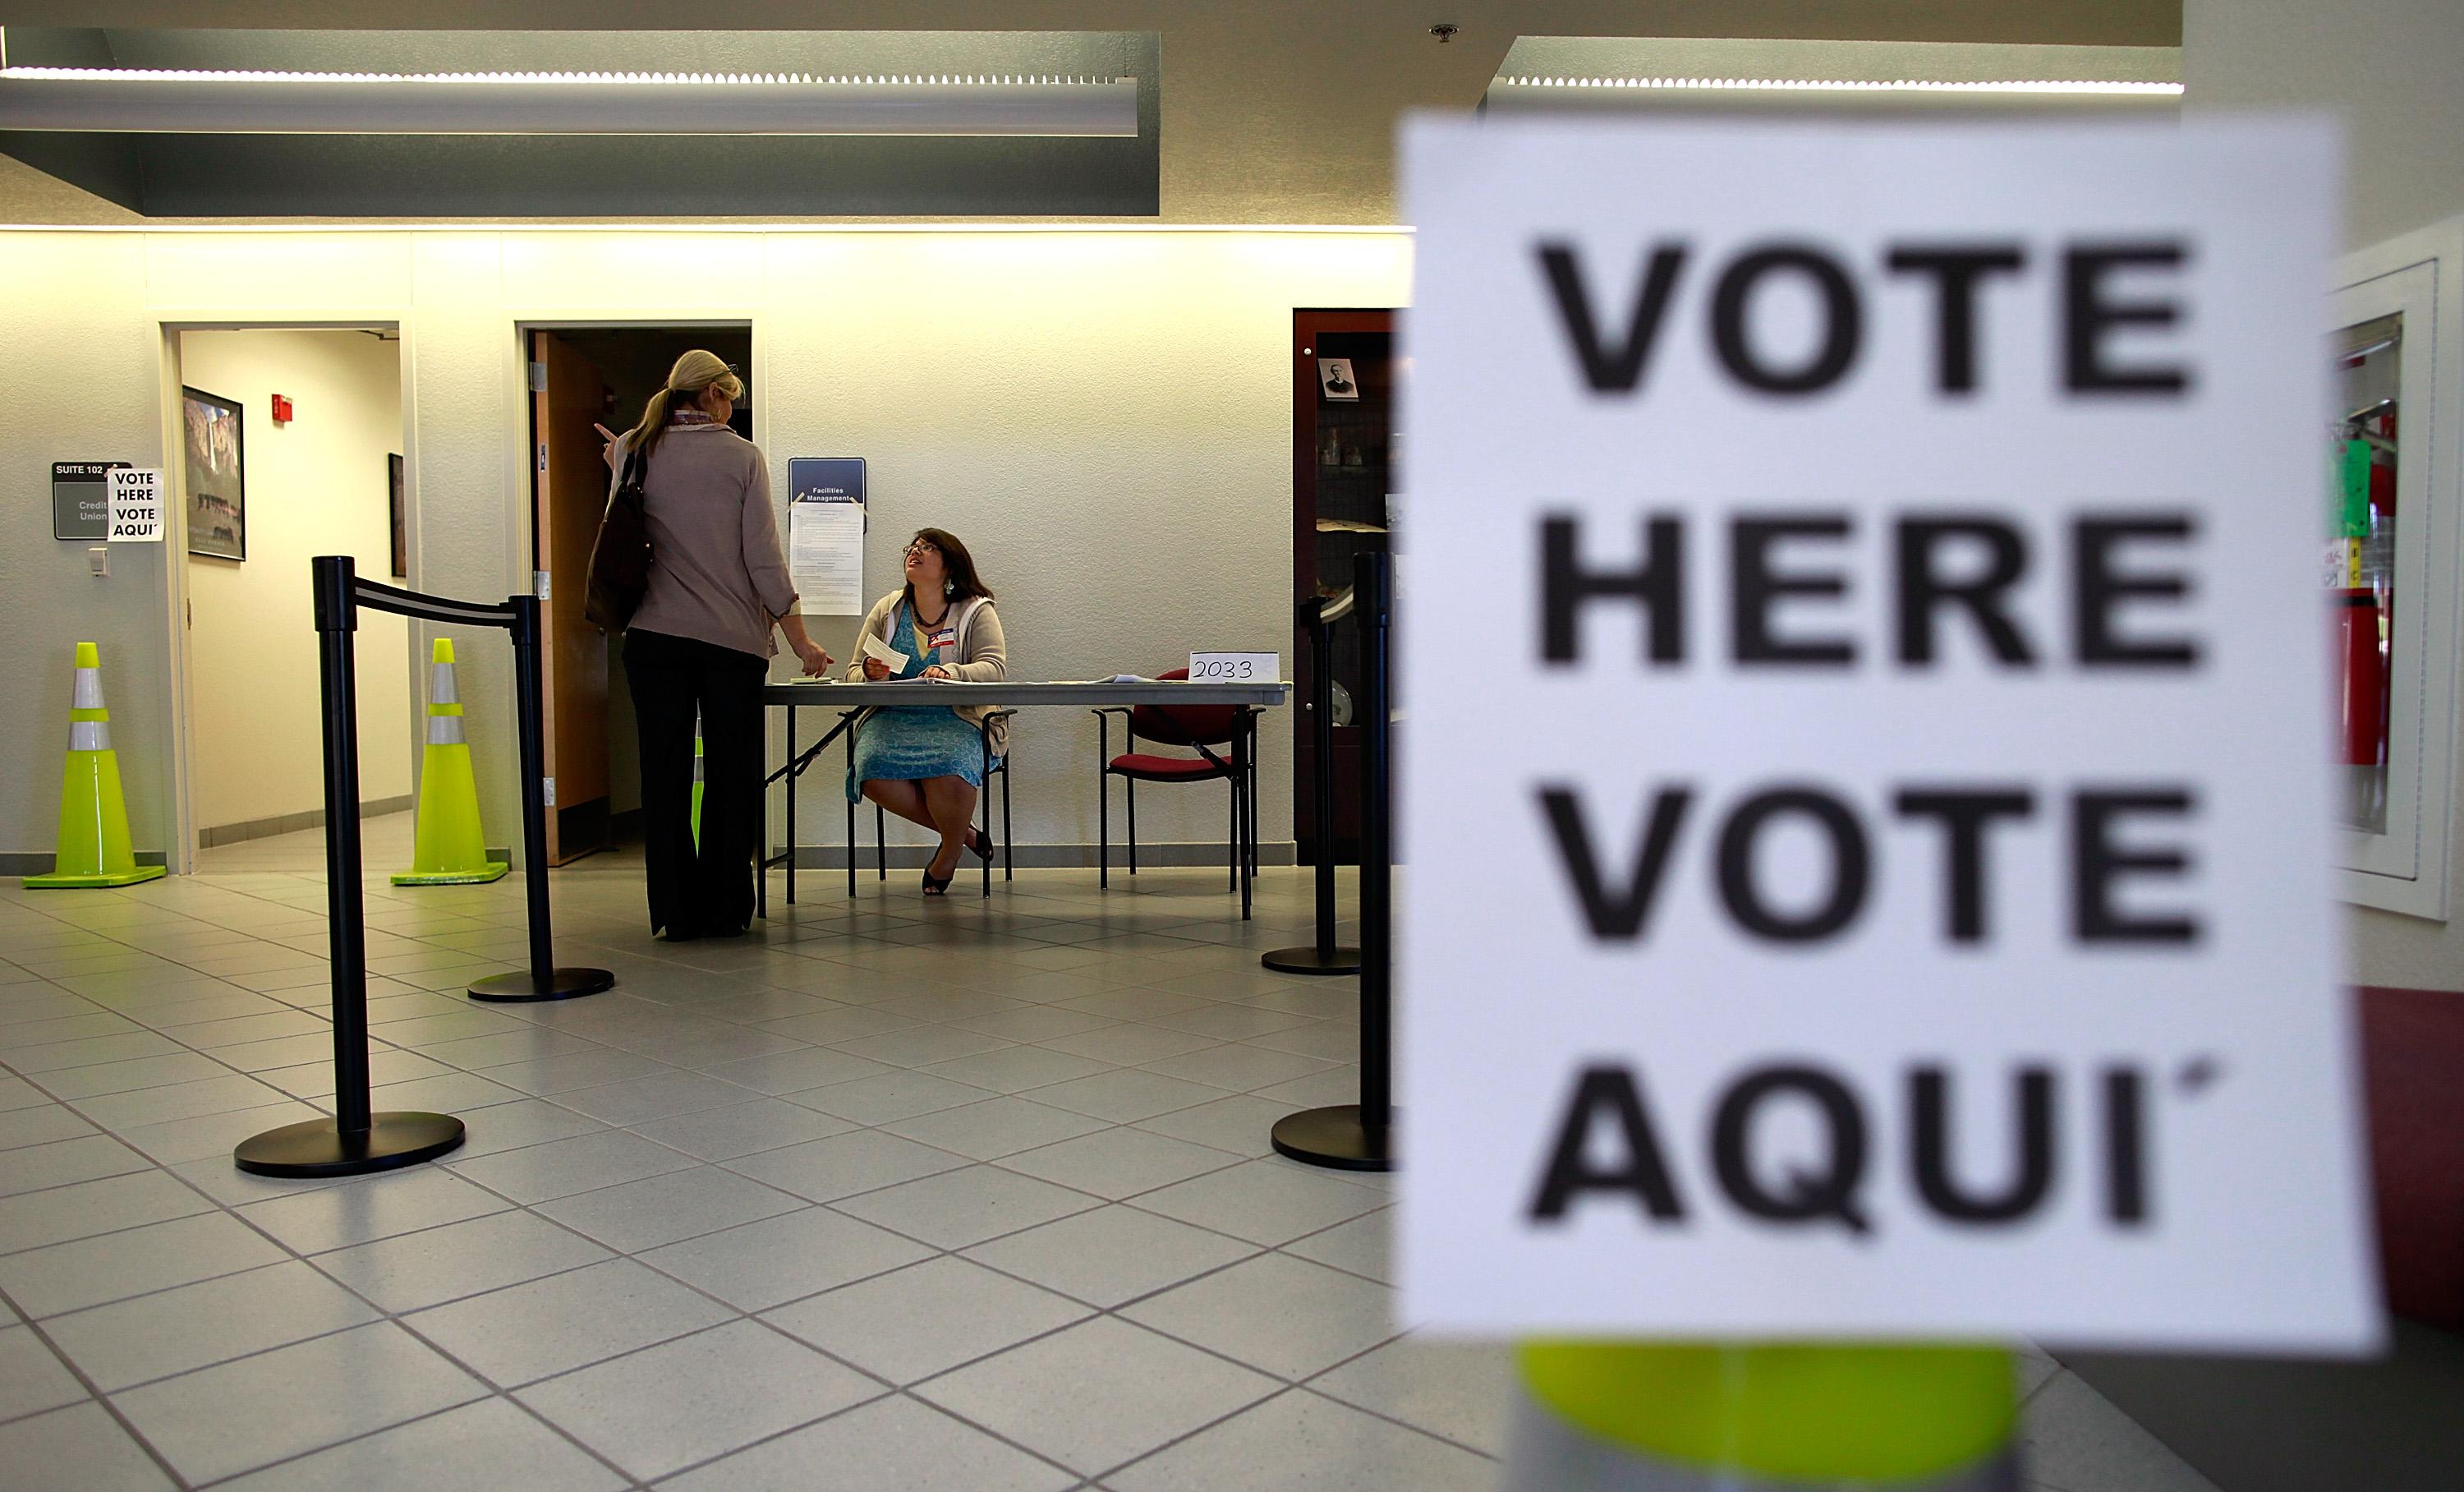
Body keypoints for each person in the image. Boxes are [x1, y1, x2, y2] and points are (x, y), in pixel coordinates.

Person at [594, 351, 832, 939]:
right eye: (731, 398)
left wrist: (615, 459)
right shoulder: (742, 457)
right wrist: (800, 639)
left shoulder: (634, 448)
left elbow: (619, 538)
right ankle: (726, 909)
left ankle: (676, 911)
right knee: (732, 774)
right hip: (730, 645)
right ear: (714, 397)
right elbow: (763, 560)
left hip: (652, 641)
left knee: (663, 774)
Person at [846, 529, 1008, 895]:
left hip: (956, 716)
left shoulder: (975, 610)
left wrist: (952, 672)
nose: (915, 553)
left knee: (950, 767)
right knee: (871, 770)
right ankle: (963, 832)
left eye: (928, 548)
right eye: (912, 548)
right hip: (892, 717)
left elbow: (994, 668)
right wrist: (869, 674)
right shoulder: (888, 610)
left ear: (950, 566)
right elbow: (853, 672)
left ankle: (947, 856)